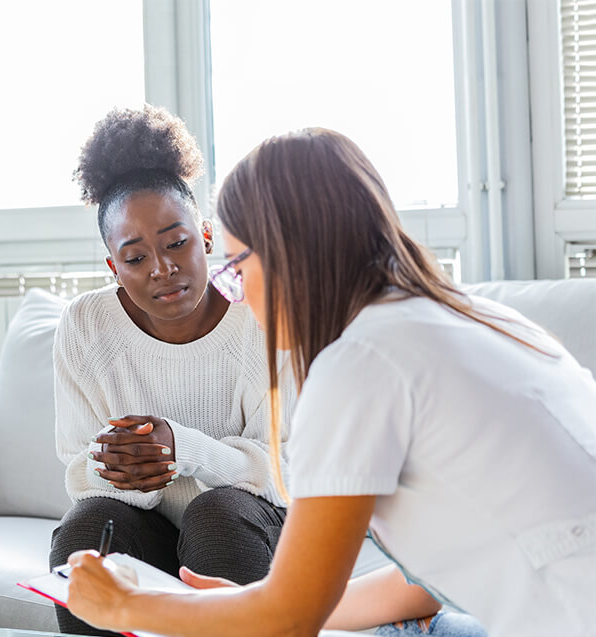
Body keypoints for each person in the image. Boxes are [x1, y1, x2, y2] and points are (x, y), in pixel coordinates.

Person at [62, 128, 596, 637]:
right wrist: (224, 607)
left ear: (288, 252)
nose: (239, 292)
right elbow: (418, 592)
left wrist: (129, 605)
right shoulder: (473, 319)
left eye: (238, 266)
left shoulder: (360, 365)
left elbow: (290, 620)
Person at [49, 105, 299, 636]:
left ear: (205, 236)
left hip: (253, 522)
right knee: (88, 529)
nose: (162, 268)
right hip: (153, 529)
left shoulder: (259, 313)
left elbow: (285, 472)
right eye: (136, 258)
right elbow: (79, 470)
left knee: (216, 515)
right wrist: (127, 471)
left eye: (176, 243)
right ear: (113, 266)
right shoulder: (86, 326)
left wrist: (181, 449)